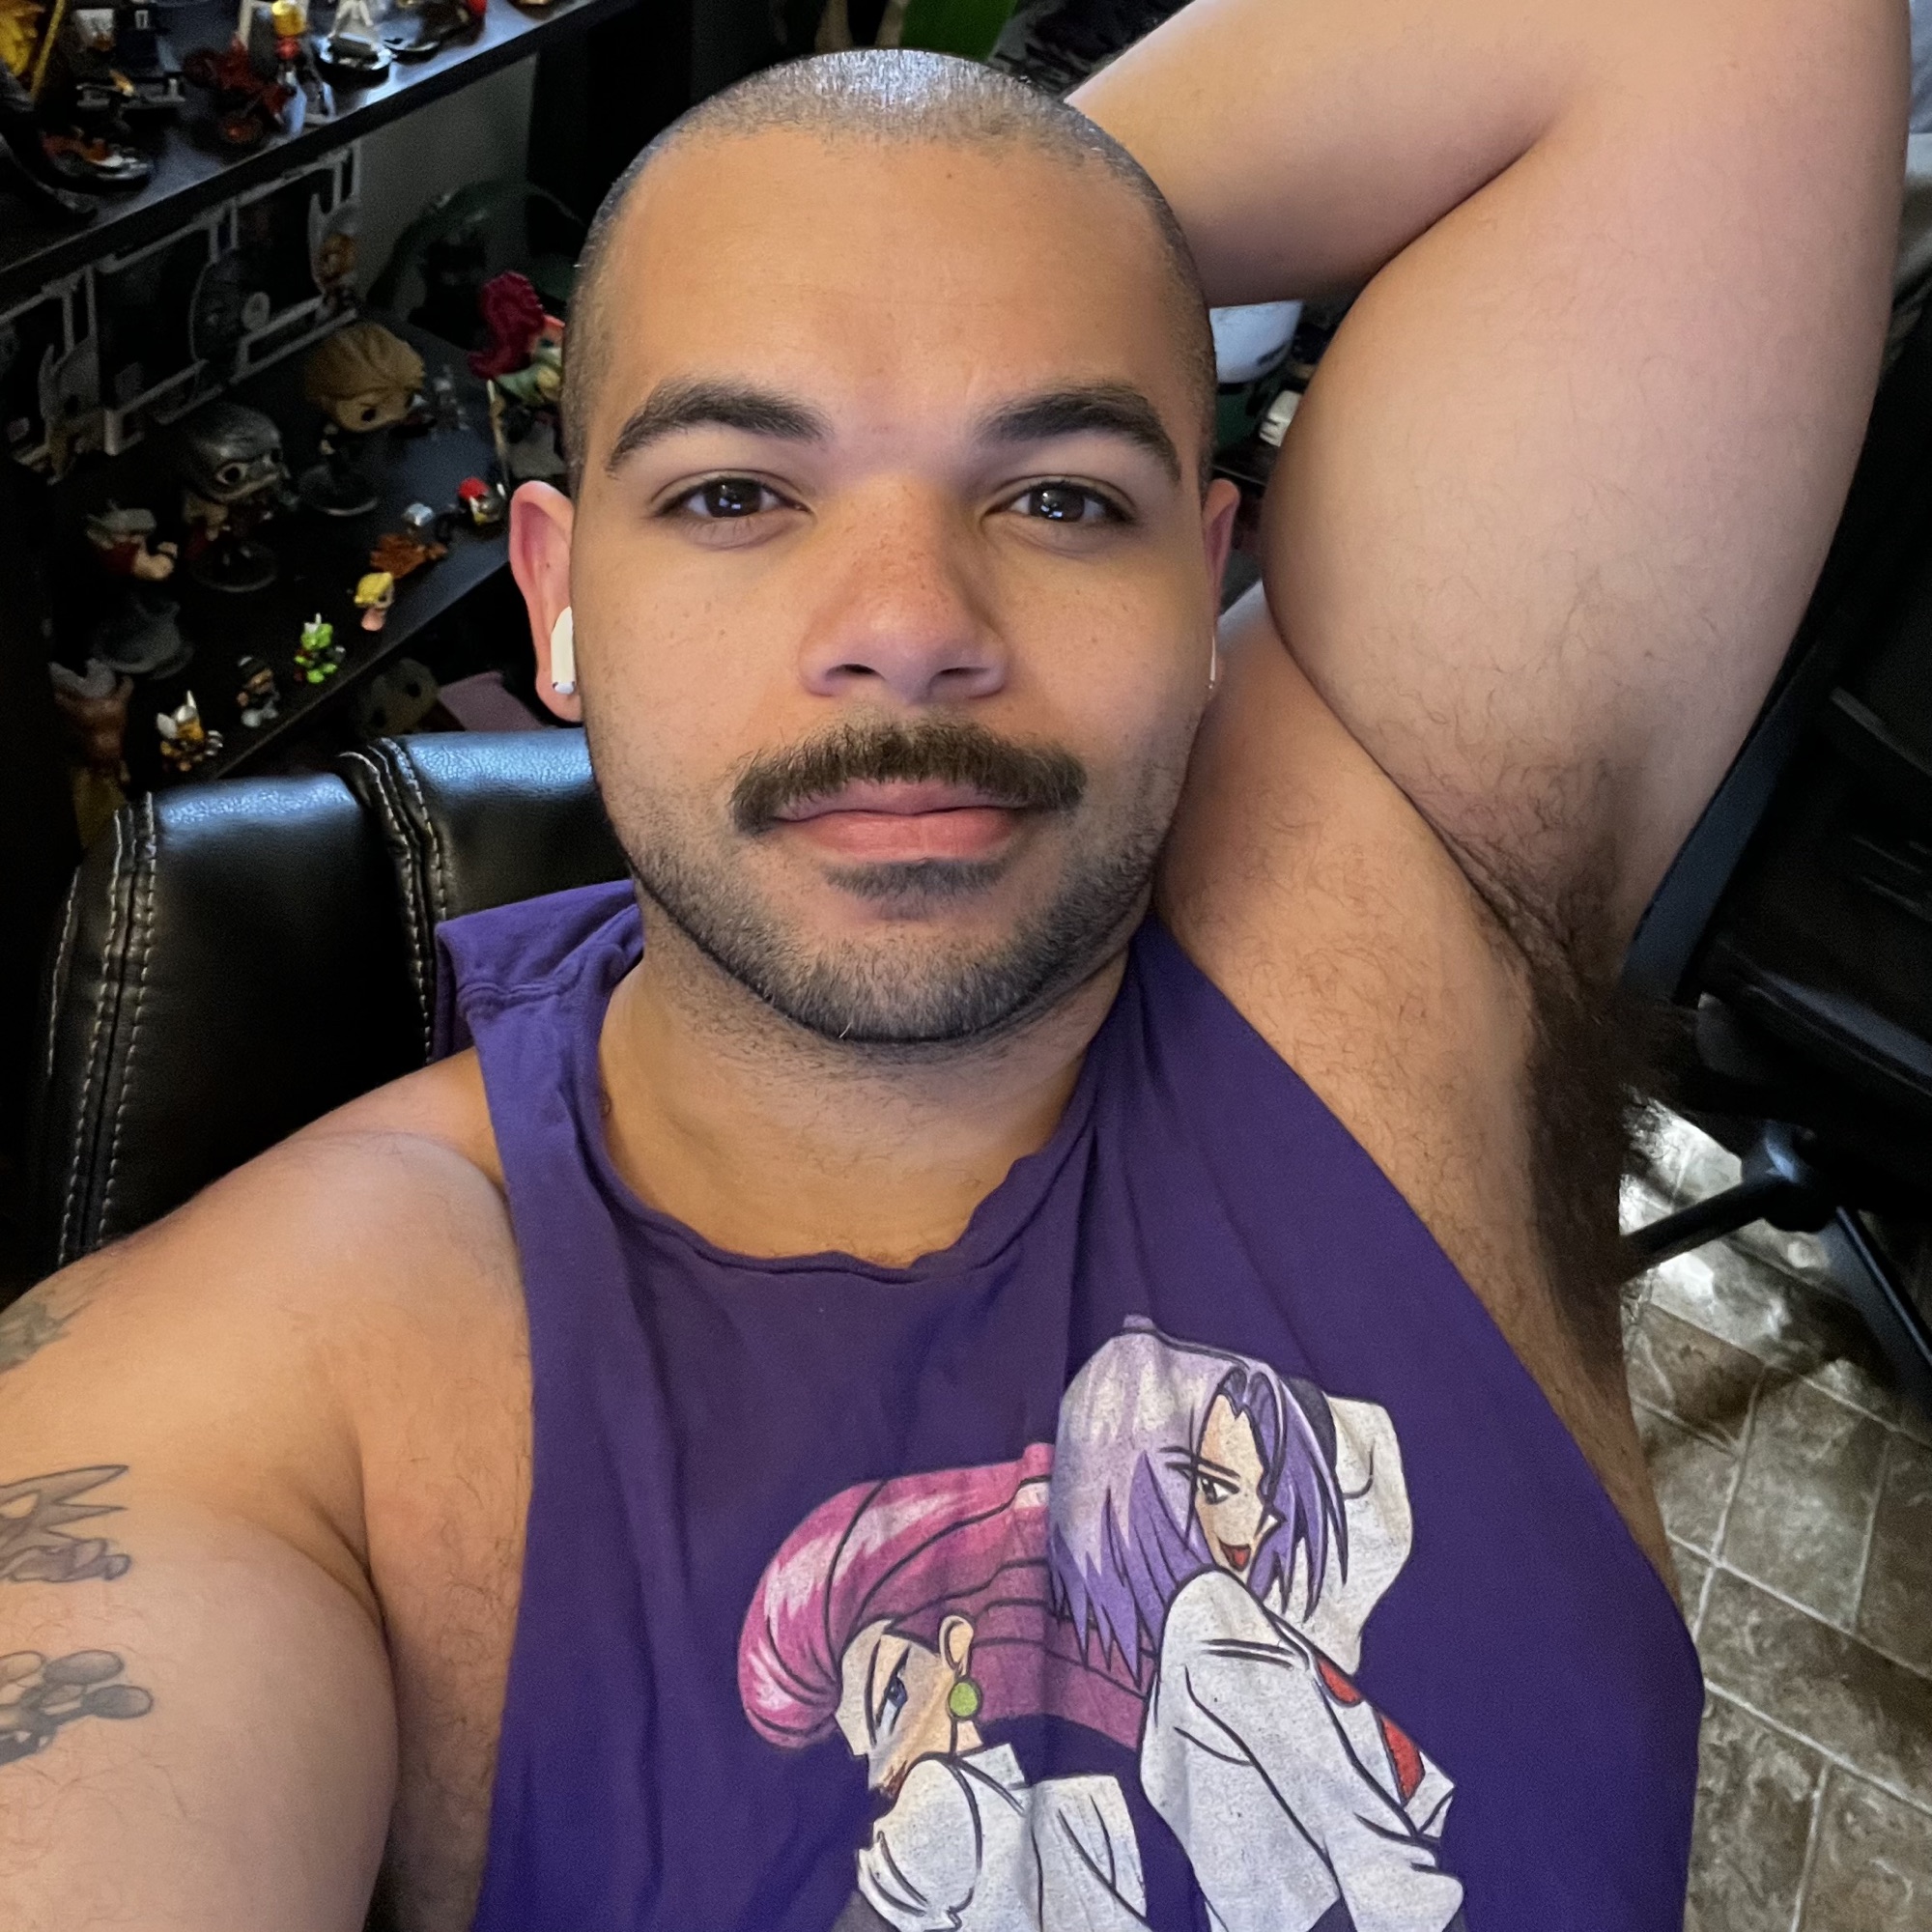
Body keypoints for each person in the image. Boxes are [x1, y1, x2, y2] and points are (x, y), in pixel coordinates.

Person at [0, 1, 1902, 1926]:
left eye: (1061, 496)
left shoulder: (1397, 950)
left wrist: (983, 204)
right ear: (558, 607)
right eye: (735, 493)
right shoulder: (263, 1395)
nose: (911, 623)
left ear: (1201, 575)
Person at [737, 1446, 1151, 1930]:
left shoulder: (943, 1795)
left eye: (892, 1699)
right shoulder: (1089, 1807)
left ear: (955, 1648)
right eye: (867, 1750)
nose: (882, 1774)